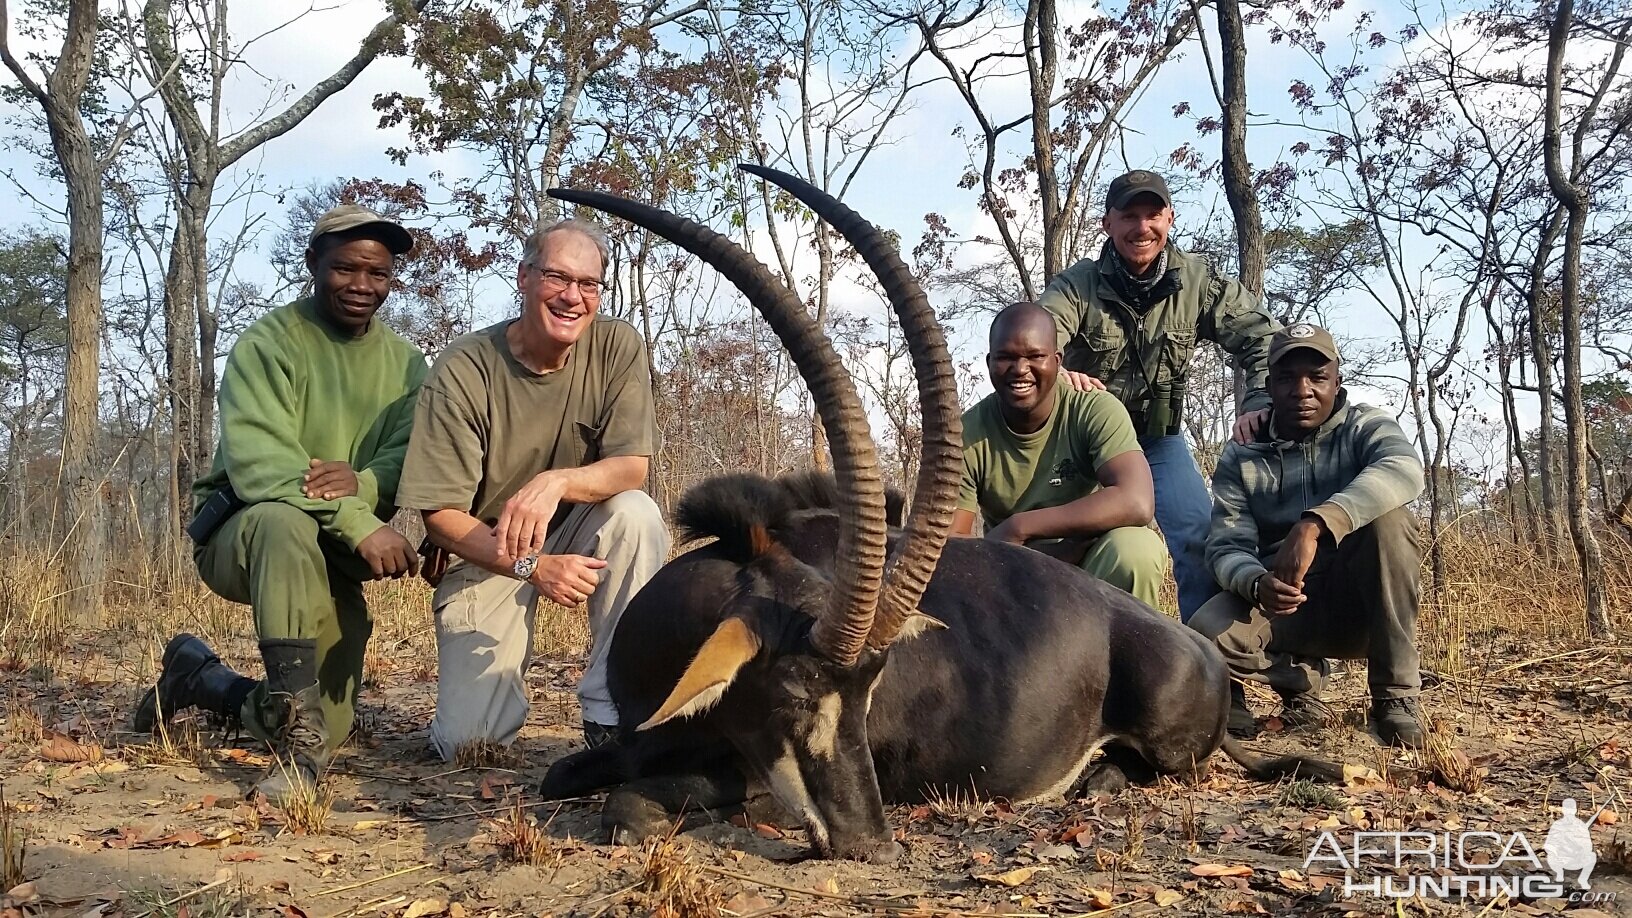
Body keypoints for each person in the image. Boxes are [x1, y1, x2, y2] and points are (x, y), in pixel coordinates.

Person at [132, 204, 427, 802]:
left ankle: (201, 679)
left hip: (331, 555)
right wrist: (354, 517)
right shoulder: (267, 344)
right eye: (346, 269)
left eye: (379, 274)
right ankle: (297, 754)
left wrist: (364, 486)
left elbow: (406, 459)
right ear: (313, 263)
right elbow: (264, 466)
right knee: (281, 518)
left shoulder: (408, 366)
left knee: (334, 721)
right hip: (245, 537)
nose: (362, 286)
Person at [394, 218, 668, 759]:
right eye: (557, 278)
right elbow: (440, 516)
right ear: (523, 278)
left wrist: (557, 480)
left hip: (579, 533)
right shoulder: (464, 368)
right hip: (489, 550)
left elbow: (631, 467)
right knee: (470, 745)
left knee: (636, 515)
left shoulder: (616, 346)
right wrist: (533, 568)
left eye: (588, 284)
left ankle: (612, 713)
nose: (573, 297)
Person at [1036, 169, 1281, 621]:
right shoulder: (1077, 285)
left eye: (1152, 215)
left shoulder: (1198, 282)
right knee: (1056, 546)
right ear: (1107, 223)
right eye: (1129, 215)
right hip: (1085, 445)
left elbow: (1267, 342)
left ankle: (1214, 671)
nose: (1141, 227)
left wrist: (1260, 401)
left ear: (1170, 218)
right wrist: (1060, 372)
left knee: (1198, 539)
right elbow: (1037, 338)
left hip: (1157, 442)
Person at [1189, 323, 1427, 747]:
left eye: (1317, 377)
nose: (1302, 390)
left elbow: (1404, 469)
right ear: (1269, 386)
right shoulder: (1242, 453)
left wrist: (1316, 524)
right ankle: (1300, 678)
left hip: (1362, 608)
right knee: (1204, 635)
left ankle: (1396, 697)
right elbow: (1226, 543)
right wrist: (1257, 583)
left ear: (1337, 382)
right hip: (1284, 602)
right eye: (1287, 378)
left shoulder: (1365, 424)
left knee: (1391, 523)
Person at [952, 302, 1169, 607]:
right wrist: (1032, 554)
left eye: (1035, 356)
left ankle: (1130, 651)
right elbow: (949, 544)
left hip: (1088, 561)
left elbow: (1137, 501)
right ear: (989, 362)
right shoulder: (966, 433)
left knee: (1137, 550)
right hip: (1011, 572)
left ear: (1057, 361)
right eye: (1006, 358)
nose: (1020, 370)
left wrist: (1019, 527)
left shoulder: (1094, 408)